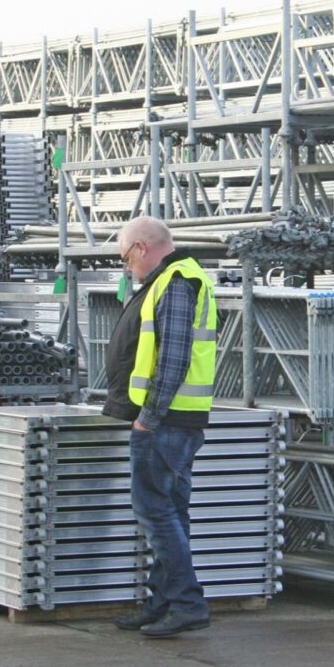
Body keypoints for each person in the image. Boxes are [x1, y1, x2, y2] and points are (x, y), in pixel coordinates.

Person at [103, 216, 217, 638]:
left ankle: (187, 602)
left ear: (141, 248)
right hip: (171, 420)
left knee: (155, 511)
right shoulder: (172, 280)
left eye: (124, 258)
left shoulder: (177, 282)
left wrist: (147, 419)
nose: (126, 268)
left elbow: (173, 358)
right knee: (170, 512)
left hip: (166, 422)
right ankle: (163, 601)